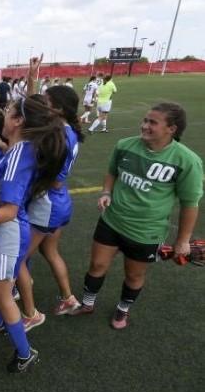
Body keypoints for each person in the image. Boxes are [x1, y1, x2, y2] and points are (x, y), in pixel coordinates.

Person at [71, 103, 203, 329]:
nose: (144, 125)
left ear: (171, 128)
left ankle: (123, 310)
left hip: (145, 231)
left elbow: (190, 203)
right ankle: (87, 303)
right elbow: (112, 172)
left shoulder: (187, 161)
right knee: (96, 265)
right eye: (145, 120)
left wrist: (182, 240)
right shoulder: (125, 146)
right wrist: (106, 192)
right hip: (112, 220)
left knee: (133, 276)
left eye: (152, 122)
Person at [0, 95, 67, 372]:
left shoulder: (20, 154)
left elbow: (8, 210)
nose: (3, 116)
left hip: (8, 229)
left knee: (3, 292)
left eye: (7, 112)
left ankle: (25, 353)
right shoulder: (19, 149)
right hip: (7, 229)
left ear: (18, 121)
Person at [16, 85, 85, 330]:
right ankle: (68, 299)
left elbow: (55, 177)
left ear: (56, 107)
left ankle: (30, 313)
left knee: (19, 260)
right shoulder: (66, 130)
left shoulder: (60, 135)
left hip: (47, 204)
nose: (42, 104)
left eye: (46, 101)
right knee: (50, 252)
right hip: (58, 203)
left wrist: (33, 184)